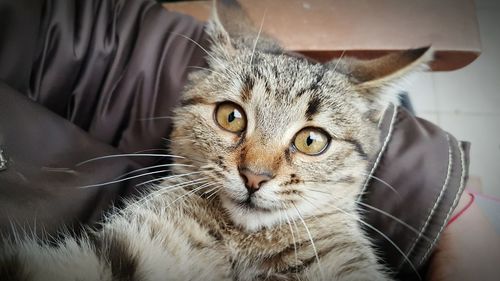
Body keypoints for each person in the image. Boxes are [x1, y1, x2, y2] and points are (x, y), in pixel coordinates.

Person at [0, 0, 498, 280]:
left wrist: (450, 202)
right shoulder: (180, 202)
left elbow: (85, 40)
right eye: (233, 117)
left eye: (309, 141)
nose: (257, 169)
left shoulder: (330, 241)